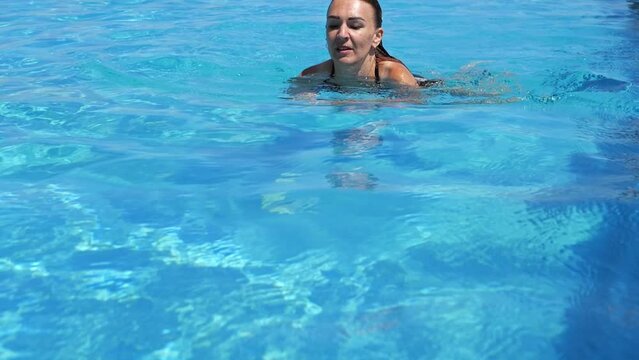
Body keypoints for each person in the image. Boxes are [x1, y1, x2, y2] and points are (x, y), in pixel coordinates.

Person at [300, 0, 432, 88]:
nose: (341, 34)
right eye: (334, 25)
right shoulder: (310, 77)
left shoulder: (396, 77)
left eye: (355, 26)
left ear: (376, 37)